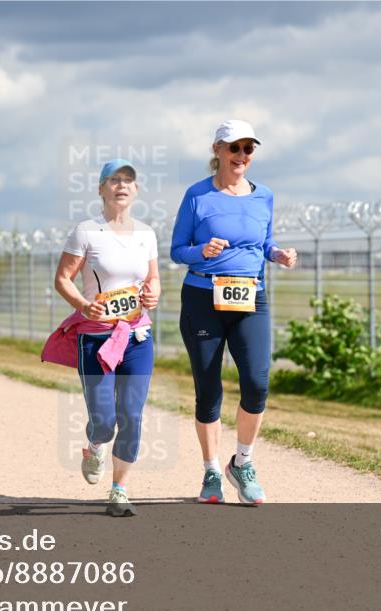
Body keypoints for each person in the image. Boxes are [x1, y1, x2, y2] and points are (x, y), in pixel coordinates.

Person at [170, 120, 297, 506]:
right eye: (234, 148)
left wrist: (278, 254)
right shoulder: (197, 195)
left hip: (250, 299)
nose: (241, 155)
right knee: (208, 389)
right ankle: (211, 471)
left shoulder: (264, 196)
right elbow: (177, 250)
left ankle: (242, 463)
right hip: (203, 298)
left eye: (248, 148)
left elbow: (264, 242)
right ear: (218, 151)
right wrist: (202, 251)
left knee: (257, 382)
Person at [43, 159, 161, 517]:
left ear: (136, 190)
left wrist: (154, 293)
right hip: (96, 339)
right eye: (114, 180)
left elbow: (153, 278)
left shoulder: (146, 234)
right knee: (105, 419)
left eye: (128, 180)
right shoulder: (86, 231)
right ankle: (96, 443)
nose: (121, 185)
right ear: (101, 188)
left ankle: (119, 490)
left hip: (136, 336)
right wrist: (84, 305)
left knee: (132, 415)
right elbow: (62, 278)